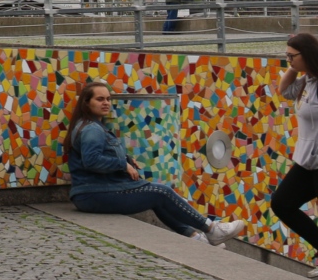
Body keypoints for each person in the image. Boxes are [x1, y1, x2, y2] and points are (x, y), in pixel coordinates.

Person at [68, 81, 244, 244]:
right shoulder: (92, 129)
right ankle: (212, 229)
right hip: (93, 194)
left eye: (108, 99)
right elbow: (92, 161)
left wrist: (126, 159)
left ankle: (196, 237)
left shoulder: (93, 126)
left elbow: (98, 155)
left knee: (158, 197)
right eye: (100, 99)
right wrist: (123, 165)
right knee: (161, 192)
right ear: (86, 103)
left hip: (93, 193)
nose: (106, 103)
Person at [272, 33, 318, 277]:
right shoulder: (307, 81)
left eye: (291, 55)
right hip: (307, 160)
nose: (288, 59)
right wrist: (294, 64)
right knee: (282, 203)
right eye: (286, 55)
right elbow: (284, 90)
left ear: (307, 55)